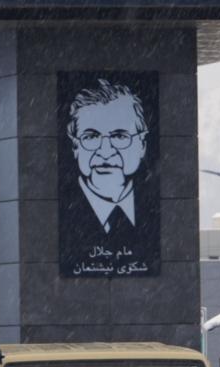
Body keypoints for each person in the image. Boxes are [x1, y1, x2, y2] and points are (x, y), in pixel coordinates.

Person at [59, 78, 160, 276]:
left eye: (120, 136)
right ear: (75, 146)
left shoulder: (154, 208)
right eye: (91, 137)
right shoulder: (62, 215)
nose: (106, 152)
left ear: (142, 145)